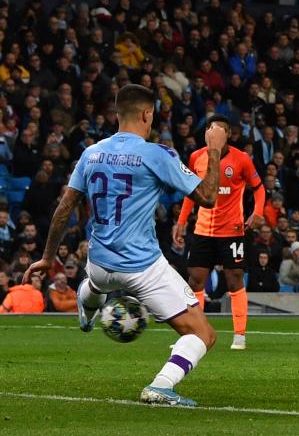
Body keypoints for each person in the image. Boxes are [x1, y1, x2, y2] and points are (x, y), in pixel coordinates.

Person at [23, 84, 225, 407]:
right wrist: (214, 149)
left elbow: (64, 209)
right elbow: (208, 197)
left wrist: (47, 258)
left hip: (99, 263)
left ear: (118, 114)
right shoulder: (157, 155)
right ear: (147, 114)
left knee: (97, 281)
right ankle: (161, 386)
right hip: (141, 269)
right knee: (203, 334)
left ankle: (87, 302)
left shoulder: (91, 153)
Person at [173, 114, 265, 351]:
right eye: (211, 129)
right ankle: (195, 335)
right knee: (195, 280)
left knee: (234, 278)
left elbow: (259, 188)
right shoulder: (196, 157)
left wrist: (258, 212)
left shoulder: (242, 159)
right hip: (203, 230)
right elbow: (190, 192)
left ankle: (240, 336)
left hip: (232, 230)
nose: (215, 133)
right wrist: (181, 221)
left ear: (228, 135)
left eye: (220, 130)